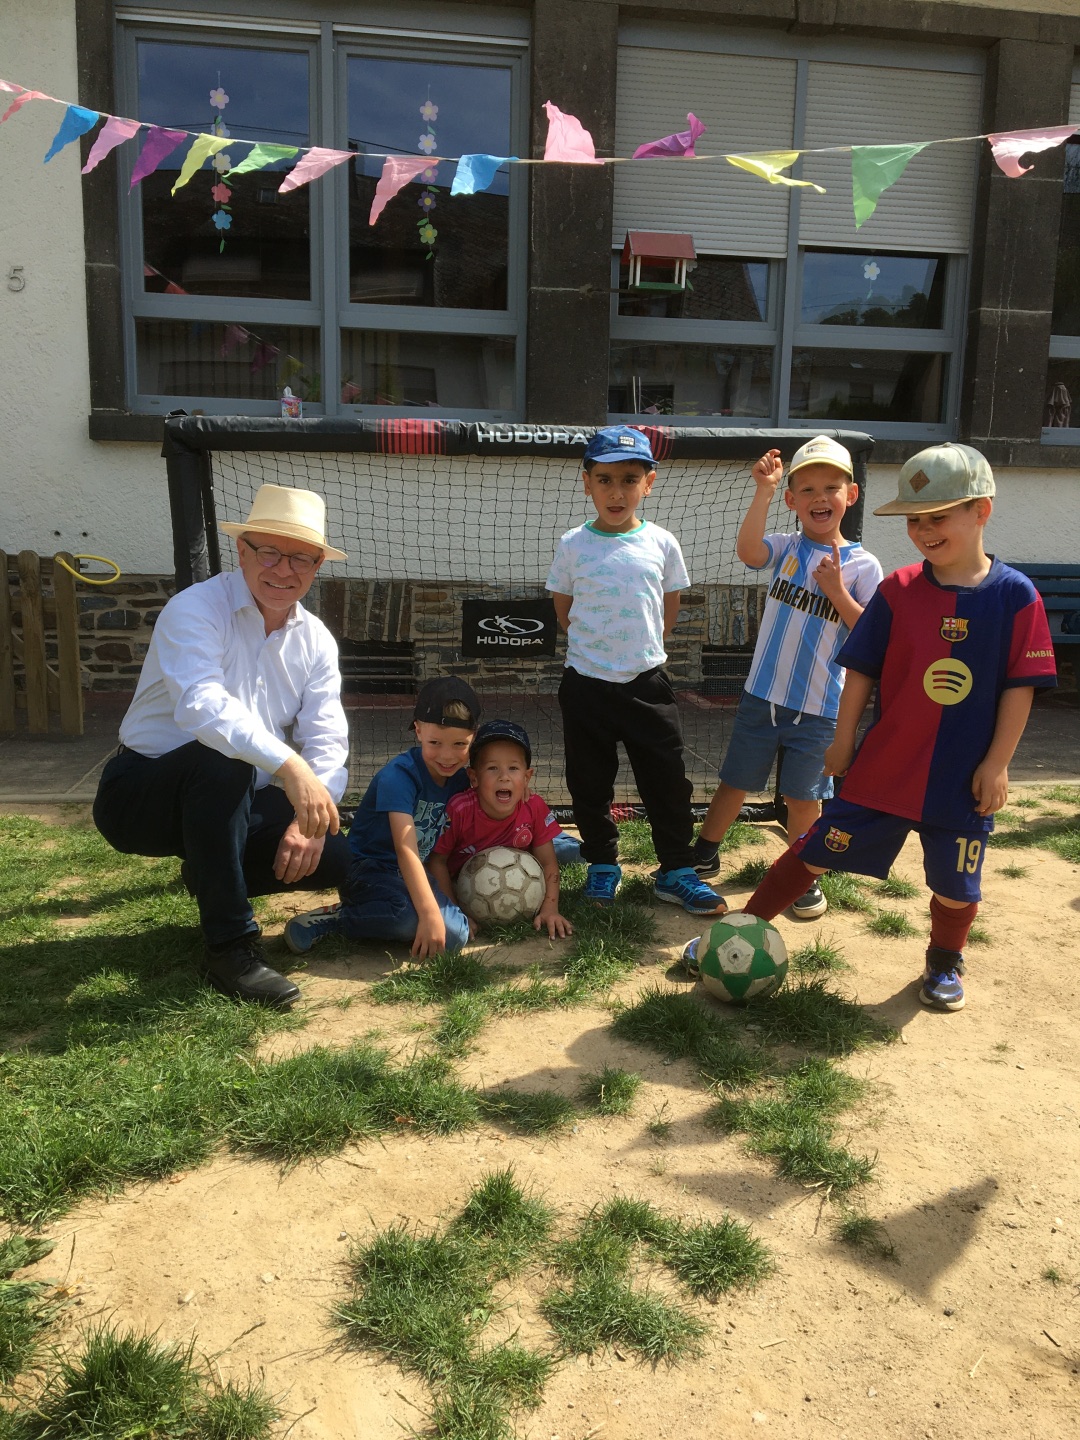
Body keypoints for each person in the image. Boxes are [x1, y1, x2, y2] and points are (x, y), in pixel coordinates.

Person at [699, 443, 1057, 1012]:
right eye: (915, 519)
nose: (924, 530)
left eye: (938, 516)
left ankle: (943, 962)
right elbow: (863, 666)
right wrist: (842, 740)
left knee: (954, 887)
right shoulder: (899, 588)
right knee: (814, 849)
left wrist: (996, 763)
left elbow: (1021, 686)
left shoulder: (1016, 597)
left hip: (960, 780)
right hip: (885, 767)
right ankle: (742, 927)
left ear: (981, 510)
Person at [93, 484, 350, 1009]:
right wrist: (291, 767)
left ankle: (209, 873)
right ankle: (230, 949)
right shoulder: (193, 609)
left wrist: (307, 821)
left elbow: (329, 738)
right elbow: (202, 708)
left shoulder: (317, 640)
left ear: (318, 565)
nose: (283, 568)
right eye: (269, 551)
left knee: (340, 853)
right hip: (141, 794)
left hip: (231, 800)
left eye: (300, 556)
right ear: (241, 551)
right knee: (223, 761)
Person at [690, 437, 883, 919]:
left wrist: (837, 591)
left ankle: (801, 875)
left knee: (803, 798)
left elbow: (869, 633)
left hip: (820, 707)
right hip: (762, 698)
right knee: (734, 783)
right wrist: (764, 490)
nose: (821, 497)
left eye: (831, 487)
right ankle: (704, 852)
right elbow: (749, 551)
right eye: (807, 489)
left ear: (851, 495)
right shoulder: (787, 547)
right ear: (793, 500)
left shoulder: (863, 564)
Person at [545, 425, 726, 914]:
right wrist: (599, 655)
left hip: (647, 683)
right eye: (604, 479)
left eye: (629, 479)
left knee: (667, 780)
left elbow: (667, 611)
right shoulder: (573, 545)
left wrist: (639, 653)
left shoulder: (663, 543)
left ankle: (676, 869)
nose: (616, 491)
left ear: (649, 482)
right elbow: (565, 611)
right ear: (587, 483)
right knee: (588, 783)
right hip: (586, 685)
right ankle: (603, 864)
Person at [285, 676, 481, 959]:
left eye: (459, 744)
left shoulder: (461, 779)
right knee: (409, 918)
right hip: (369, 869)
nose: (447, 756)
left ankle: (403, 913)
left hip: (414, 873)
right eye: (435, 742)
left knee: (454, 935)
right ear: (418, 731)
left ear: (473, 738)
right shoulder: (399, 776)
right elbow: (405, 850)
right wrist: (428, 914)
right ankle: (340, 918)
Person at [429, 719, 581, 939]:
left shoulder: (533, 807)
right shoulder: (458, 811)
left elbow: (548, 863)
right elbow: (437, 861)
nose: (504, 776)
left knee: (574, 854)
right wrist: (454, 911)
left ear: (527, 777)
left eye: (513, 768)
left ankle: (562, 840)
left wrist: (550, 909)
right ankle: (556, 839)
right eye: (492, 768)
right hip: (469, 868)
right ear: (474, 777)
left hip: (524, 848)